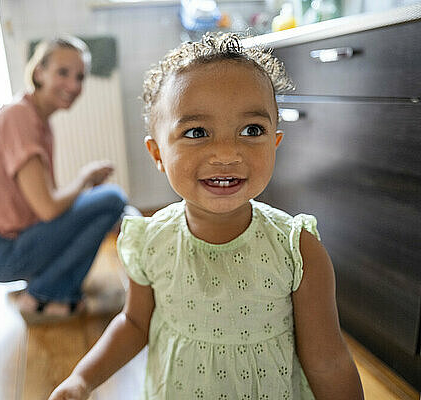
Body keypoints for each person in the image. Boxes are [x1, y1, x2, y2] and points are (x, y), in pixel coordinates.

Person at [49, 32, 364, 399]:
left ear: (275, 142)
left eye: (251, 130)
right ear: (158, 154)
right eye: (197, 132)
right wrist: (82, 379)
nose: (227, 153)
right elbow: (135, 323)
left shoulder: (297, 251)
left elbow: (329, 362)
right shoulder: (149, 241)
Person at [0, 35, 130, 324]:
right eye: (63, 73)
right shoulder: (20, 118)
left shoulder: (33, 117)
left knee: (108, 209)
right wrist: (85, 178)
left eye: (80, 77)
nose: (74, 86)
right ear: (39, 72)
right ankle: (46, 294)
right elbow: (49, 208)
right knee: (112, 199)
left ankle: (49, 290)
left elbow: (44, 203)